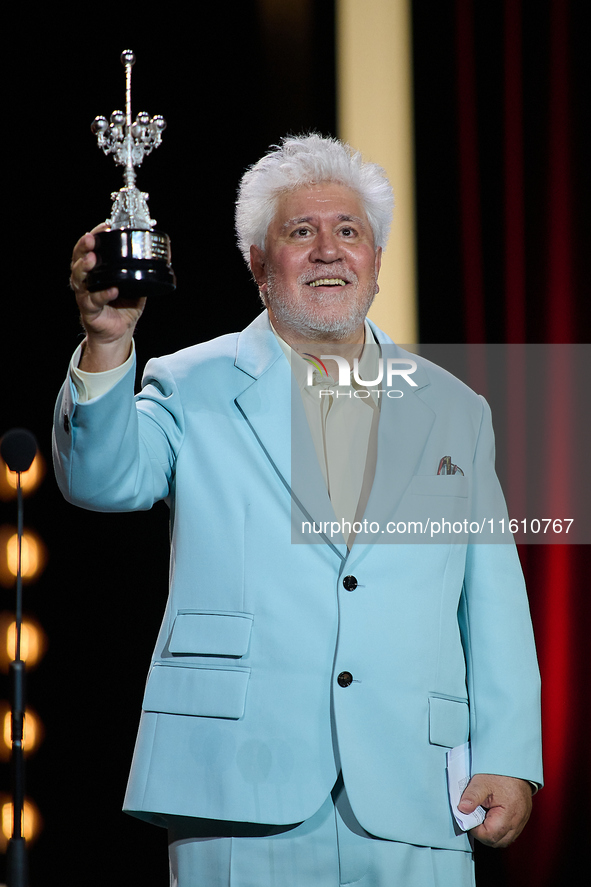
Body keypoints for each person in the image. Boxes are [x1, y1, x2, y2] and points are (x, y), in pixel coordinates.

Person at [54, 134, 542, 887]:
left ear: (375, 261)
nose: (327, 251)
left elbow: (494, 598)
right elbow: (101, 479)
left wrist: (510, 756)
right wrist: (106, 343)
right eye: (300, 232)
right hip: (238, 788)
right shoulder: (189, 382)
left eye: (348, 231)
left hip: (414, 791)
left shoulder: (454, 406)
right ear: (257, 263)